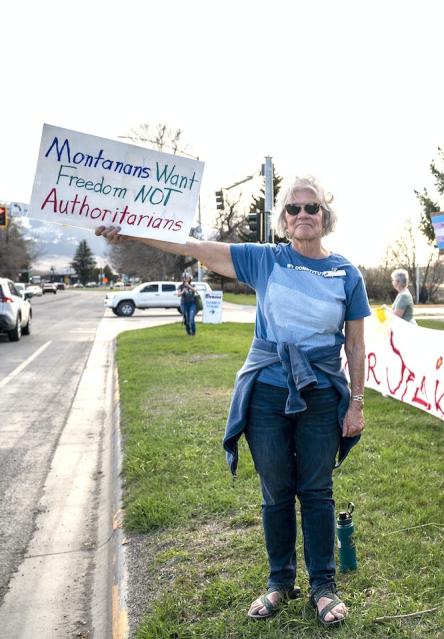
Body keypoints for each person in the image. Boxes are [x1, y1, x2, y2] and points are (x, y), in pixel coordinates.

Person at [97, 175, 369, 627]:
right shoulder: (265, 260)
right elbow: (193, 246)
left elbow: (356, 345)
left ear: (326, 217)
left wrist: (355, 403)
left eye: (312, 208)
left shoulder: (346, 273)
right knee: (276, 490)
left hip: (322, 393)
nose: (303, 215)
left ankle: (324, 585)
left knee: (316, 491)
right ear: (283, 220)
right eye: (294, 209)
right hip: (266, 391)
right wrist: (127, 229)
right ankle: (280, 582)